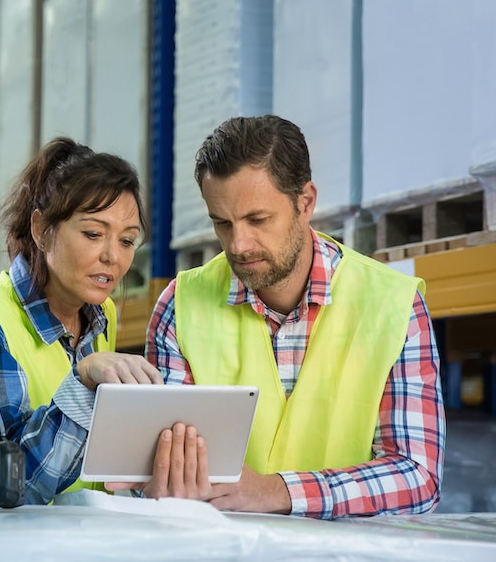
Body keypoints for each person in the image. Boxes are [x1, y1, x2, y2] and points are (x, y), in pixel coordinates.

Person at [130, 115, 444, 519]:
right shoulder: (180, 305)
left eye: (258, 220)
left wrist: (278, 491)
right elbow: (159, 470)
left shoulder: (394, 306)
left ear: (306, 202)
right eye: (222, 224)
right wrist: (161, 481)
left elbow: (419, 478)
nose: (239, 244)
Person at [0, 137, 162, 504]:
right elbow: (9, 484)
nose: (113, 257)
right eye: (93, 234)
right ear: (42, 230)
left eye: (127, 241)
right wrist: (83, 379)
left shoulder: (100, 316)